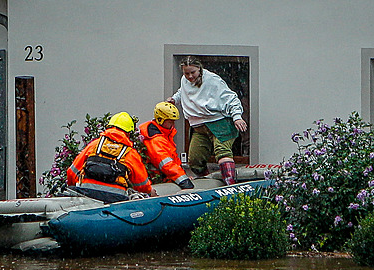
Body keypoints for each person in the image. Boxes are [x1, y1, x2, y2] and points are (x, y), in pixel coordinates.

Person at [167, 56, 247, 185]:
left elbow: (231, 98)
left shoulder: (212, 80)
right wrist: (174, 99)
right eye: (186, 73)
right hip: (199, 127)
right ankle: (207, 182)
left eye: (193, 72)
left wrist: (237, 117)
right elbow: (183, 92)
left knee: (222, 152)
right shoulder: (184, 80)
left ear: (199, 69)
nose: (190, 76)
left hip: (220, 123)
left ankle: (230, 184)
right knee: (195, 160)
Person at [67, 112, 157, 202]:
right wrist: (149, 192)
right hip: (115, 201)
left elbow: (71, 172)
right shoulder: (130, 153)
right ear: (129, 133)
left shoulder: (94, 145)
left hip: (86, 196)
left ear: (109, 127)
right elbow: (141, 185)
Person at [139, 102, 194, 189]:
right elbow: (166, 164)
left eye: (173, 121)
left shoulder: (164, 134)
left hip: (165, 179)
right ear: (160, 120)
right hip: (158, 181)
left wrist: (183, 175)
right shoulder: (156, 139)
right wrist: (183, 180)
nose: (173, 125)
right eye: (170, 122)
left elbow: (173, 159)